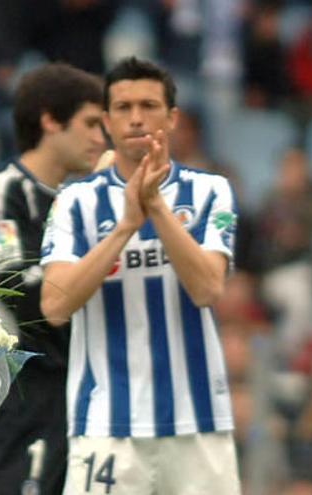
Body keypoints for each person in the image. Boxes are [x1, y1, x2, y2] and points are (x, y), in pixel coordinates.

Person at [40, 57, 241, 494]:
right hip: (106, 426)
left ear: (171, 117)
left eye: (149, 105)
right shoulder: (73, 202)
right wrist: (126, 226)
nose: (136, 117)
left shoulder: (211, 191)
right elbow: (54, 306)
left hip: (199, 423)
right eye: (123, 106)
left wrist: (157, 209)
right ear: (107, 121)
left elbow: (207, 288)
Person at [0, 63, 104, 495]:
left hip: (79, 395)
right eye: (92, 123)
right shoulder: (5, 192)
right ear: (49, 120)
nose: (102, 138)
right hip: (23, 397)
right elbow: (29, 297)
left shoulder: (79, 203)